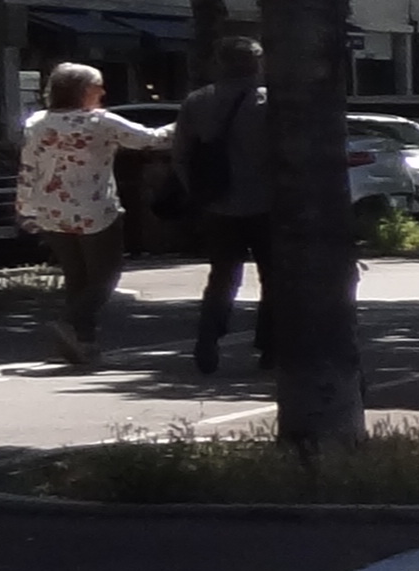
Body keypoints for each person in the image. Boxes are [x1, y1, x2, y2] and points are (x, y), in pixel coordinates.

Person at [14, 63, 169, 371]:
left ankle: (80, 344)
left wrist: (24, 206)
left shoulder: (37, 122)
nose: (103, 92)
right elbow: (150, 139)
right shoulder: (99, 122)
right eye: (98, 86)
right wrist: (187, 121)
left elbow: (28, 166)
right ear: (82, 91)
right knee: (105, 276)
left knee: (77, 278)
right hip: (94, 210)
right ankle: (69, 324)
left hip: (51, 209)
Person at [175, 37, 274, 378]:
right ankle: (270, 345)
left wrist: (199, 195)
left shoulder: (198, 101)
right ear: (258, 64)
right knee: (274, 277)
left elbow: (182, 155)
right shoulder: (268, 102)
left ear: (219, 63)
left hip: (218, 205)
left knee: (221, 277)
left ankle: (208, 337)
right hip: (266, 203)